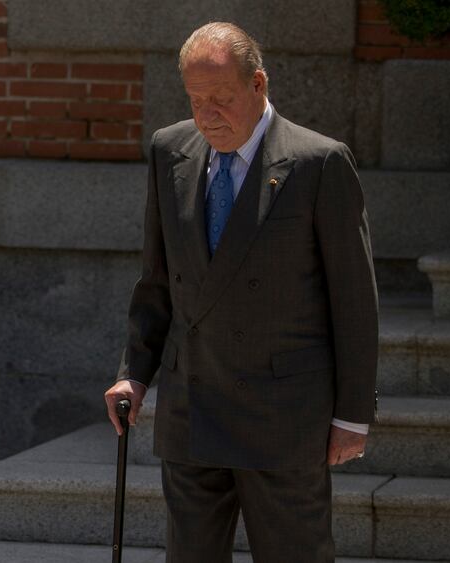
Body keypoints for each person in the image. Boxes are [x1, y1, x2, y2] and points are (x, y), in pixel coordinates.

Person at [103, 22, 378, 563]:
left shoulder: (317, 162)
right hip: (193, 405)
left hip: (282, 415)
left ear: (258, 85)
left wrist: (351, 414)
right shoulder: (169, 150)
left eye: (222, 99)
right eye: (196, 99)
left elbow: (355, 301)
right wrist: (133, 372)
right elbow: (158, 281)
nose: (207, 115)